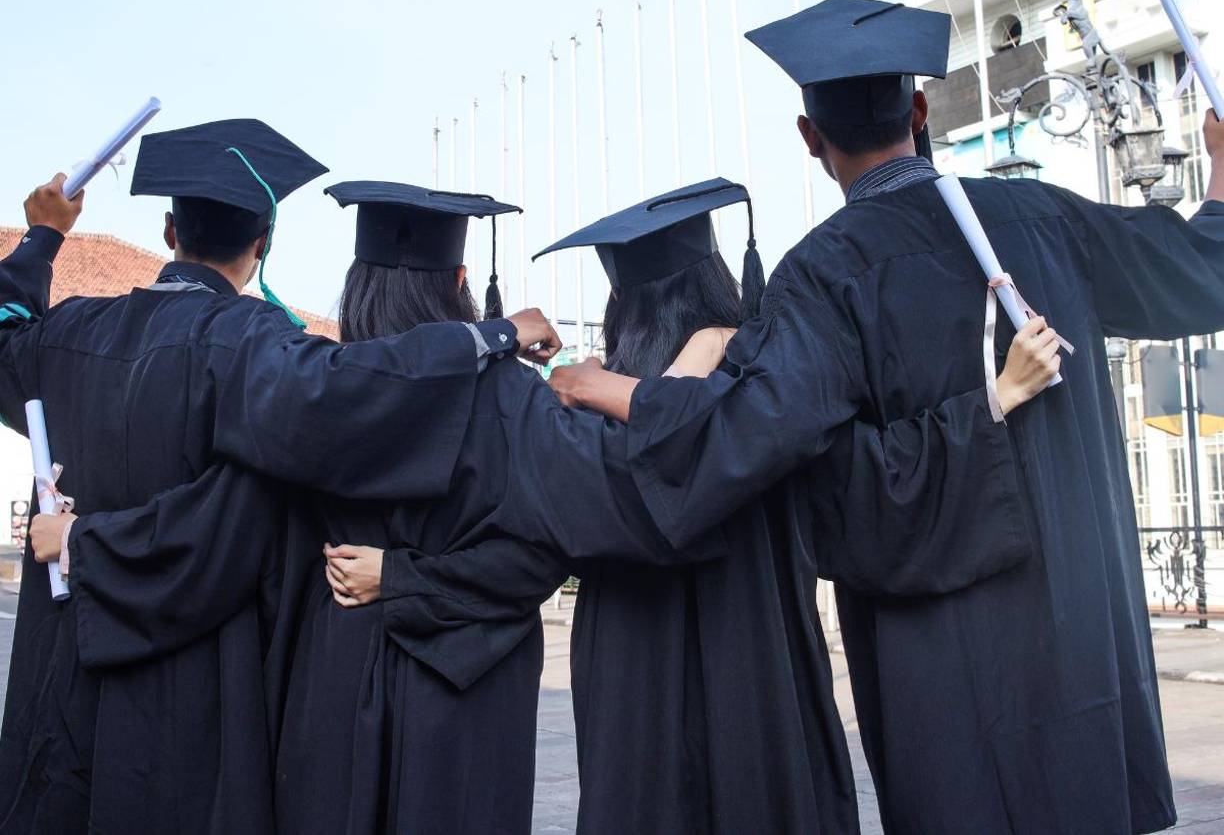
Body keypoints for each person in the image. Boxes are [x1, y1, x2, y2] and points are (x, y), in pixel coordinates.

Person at [36, 176, 1061, 835]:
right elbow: (607, 519)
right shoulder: (506, 403)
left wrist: (83, 539)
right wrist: (698, 404)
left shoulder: (306, 396)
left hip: (321, 708)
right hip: (459, 710)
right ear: (456, 283)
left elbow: (221, 530)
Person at [549, 0, 1224, 835]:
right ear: (918, 109)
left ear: (809, 137)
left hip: (946, 664)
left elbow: (751, 435)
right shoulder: (1047, 217)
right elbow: (1206, 270)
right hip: (1083, 636)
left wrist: (603, 388)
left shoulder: (823, 274)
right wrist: (1220, 171)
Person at [0, 122, 561, 834]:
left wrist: (42, 238)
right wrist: (492, 335)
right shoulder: (251, 344)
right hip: (190, 673)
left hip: (65, 661)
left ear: (169, 230)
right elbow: (358, 387)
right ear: (263, 241)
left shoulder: (68, 330)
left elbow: (4, 332)